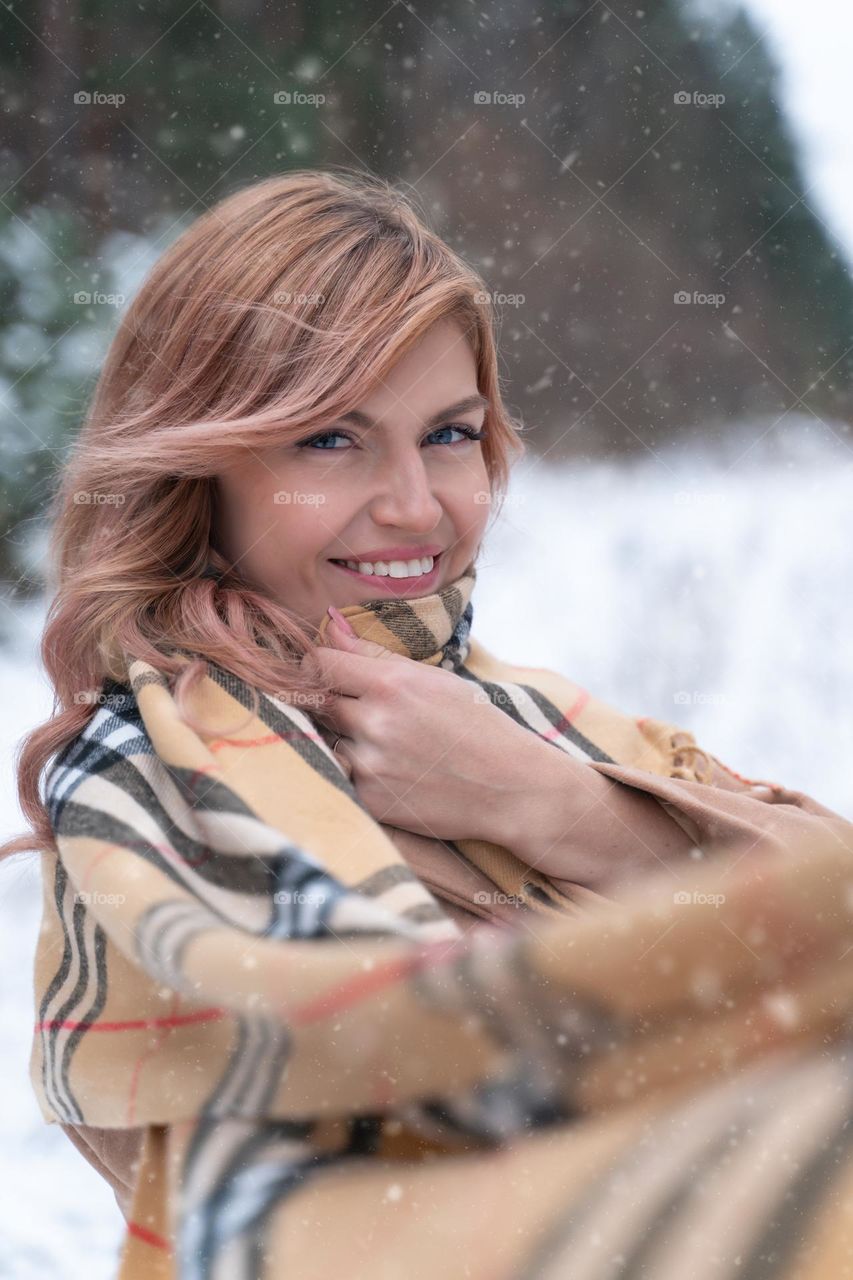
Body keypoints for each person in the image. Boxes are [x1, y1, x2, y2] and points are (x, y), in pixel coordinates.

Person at [5, 168, 853, 1279]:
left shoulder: (523, 715)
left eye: (449, 435)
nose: (416, 504)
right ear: (195, 460)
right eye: (328, 439)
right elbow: (422, 1148)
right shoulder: (168, 782)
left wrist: (562, 806)